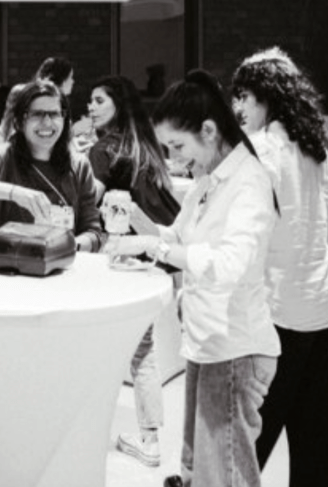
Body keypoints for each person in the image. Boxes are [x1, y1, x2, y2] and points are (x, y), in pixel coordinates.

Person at [111, 69, 279, 487]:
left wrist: (154, 249)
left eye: (178, 146)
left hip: (235, 348)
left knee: (224, 477)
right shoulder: (209, 181)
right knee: (197, 470)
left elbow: (229, 264)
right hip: (207, 344)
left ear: (208, 130)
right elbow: (176, 237)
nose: (175, 158)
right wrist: (133, 216)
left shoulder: (249, 182)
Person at [231, 48, 328, 487]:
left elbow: (246, 242)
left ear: (267, 97)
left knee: (244, 440)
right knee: (319, 439)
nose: (238, 107)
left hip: (277, 312)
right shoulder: (316, 149)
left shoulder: (260, 151)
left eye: (244, 96)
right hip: (322, 304)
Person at [87, 75, 180, 468]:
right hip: (152, 256)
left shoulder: (102, 150)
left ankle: (98, 428)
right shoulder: (145, 146)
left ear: (117, 105)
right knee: (142, 350)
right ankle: (149, 436)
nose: (90, 107)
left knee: (101, 346)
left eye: (98, 101)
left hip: (117, 256)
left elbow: (90, 201)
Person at [0, 79, 106, 252]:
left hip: (59, 265)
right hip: (2, 264)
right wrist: (13, 193)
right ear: (20, 121)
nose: (47, 122)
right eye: (37, 114)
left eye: (54, 114)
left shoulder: (78, 166)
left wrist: (69, 245)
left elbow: (93, 232)